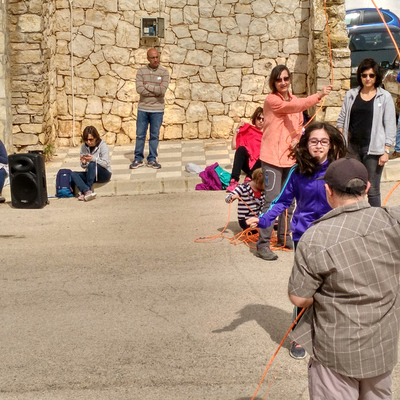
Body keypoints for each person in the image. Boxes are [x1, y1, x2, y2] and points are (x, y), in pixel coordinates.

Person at [288, 157, 400, 400]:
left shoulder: (315, 236)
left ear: (328, 191)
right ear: (368, 188)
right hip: (382, 346)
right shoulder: (393, 221)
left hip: (336, 349)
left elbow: (298, 298)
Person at [247, 122, 346, 359]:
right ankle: (300, 339)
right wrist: (262, 220)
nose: (318, 146)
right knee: (305, 291)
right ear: (306, 143)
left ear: (330, 144)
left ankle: (330, 337)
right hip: (305, 237)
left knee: (334, 291)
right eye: (313, 141)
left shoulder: (338, 170)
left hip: (334, 236)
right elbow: (282, 201)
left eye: (323, 141)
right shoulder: (297, 170)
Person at [257, 64, 332, 261]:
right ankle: (263, 243)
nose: (283, 82)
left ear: (289, 79)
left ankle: (284, 238)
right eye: (279, 79)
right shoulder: (272, 100)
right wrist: (319, 95)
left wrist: (297, 138)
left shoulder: (295, 100)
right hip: (272, 158)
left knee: (289, 202)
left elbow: (298, 124)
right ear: (273, 82)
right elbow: (294, 107)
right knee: (272, 201)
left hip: (290, 159)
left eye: (286, 78)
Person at [337, 58, 396, 206]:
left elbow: (390, 124)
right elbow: (342, 119)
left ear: (376, 76)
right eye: (364, 75)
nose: (367, 78)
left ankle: (376, 223)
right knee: (353, 187)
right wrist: (340, 143)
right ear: (360, 76)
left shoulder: (384, 97)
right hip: (352, 148)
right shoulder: (351, 95)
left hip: (374, 150)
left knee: (372, 189)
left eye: (371, 75)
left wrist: (386, 150)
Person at [129, 48, 170, 170]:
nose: (155, 60)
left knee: (154, 135)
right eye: (153, 57)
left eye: (157, 57)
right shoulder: (141, 71)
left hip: (157, 109)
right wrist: (154, 90)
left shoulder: (164, 72)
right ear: (148, 58)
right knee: (140, 135)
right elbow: (139, 89)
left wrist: (147, 86)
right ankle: (138, 158)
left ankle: (152, 159)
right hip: (143, 108)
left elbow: (162, 90)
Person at [226, 107, 263, 192]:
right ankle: (234, 180)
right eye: (259, 118)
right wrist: (237, 130)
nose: (261, 121)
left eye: (263, 119)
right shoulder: (248, 131)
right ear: (255, 119)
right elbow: (234, 146)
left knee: (264, 155)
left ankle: (249, 178)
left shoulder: (267, 134)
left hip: (258, 166)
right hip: (248, 164)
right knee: (241, 149)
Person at [71, 126, 112, 202]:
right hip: (91, 174)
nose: (88, 142)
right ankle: (86, 191)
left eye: (91, 139)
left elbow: (106, 164)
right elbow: (84, 166)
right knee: (73, 174)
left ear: (96, 137)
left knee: (92, 164)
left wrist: (93, 159)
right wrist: (84, 163)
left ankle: (88, 188)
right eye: (86, 140)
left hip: (103, 173)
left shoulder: (103, 145)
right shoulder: (84, 147)